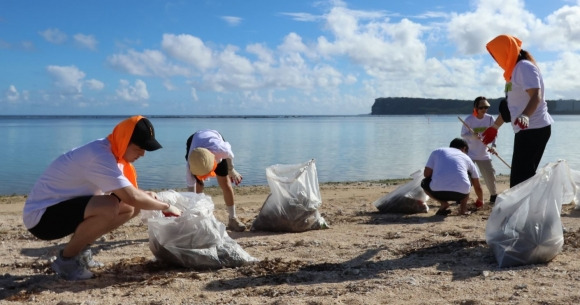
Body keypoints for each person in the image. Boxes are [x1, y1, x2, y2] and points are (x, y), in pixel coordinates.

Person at [23, 116, 182, 281]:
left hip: (61, 209)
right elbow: (131, 196)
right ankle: (66, 261)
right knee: (109, 207)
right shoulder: (100, 156)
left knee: (129, 208)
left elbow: (129, 196)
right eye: (139, 148)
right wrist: (165, 206)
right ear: (124, 140)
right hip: (41, 219)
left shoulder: (114, 152)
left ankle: (82, 250)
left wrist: (146, 196)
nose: (142, 154)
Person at [481, 34, 553, 188]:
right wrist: (494, 127)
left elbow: (536, 95)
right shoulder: (512, 74)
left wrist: (526, 115)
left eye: (496, 55)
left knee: (521, 181)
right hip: (525, 130)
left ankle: (526, 211)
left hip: (535, 128)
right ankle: (525, 210)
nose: (495, 60)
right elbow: (510, 107)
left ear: (505, 52)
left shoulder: (524, 67)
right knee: (520, 180)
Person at [185, 129, 246, 232]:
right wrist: (191, 213)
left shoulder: (221, 150)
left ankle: (233, 219)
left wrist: (231, 169)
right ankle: (198, 217)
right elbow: (191, 191)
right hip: (194, 141)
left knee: (225, 183)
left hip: (215, 139)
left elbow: (229, 155)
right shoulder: (192, 164)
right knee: (199, 185)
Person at [421, 138, 484, 216]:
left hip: (437, 193)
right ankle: (463, 209)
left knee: (424, 182)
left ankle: (443, 203)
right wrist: (480, 200)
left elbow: (426, 174)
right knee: (467, 177)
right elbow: (477, 186)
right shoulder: (467, 158)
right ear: (464, 148)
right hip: (461, 194)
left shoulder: (437, 151)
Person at [461, 96, 499, 204]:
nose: (484, 110)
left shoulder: (490, 118)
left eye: (486, 107)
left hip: (484, 154)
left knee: (490, 175)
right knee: (466, 177)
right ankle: (462, 197)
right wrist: (473, 136)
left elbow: (495, 133)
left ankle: (493, 196)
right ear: (476, 107)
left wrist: (493, 146)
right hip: (471, 154)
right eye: (482, 107)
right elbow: (463, 134)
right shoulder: (469, 119)